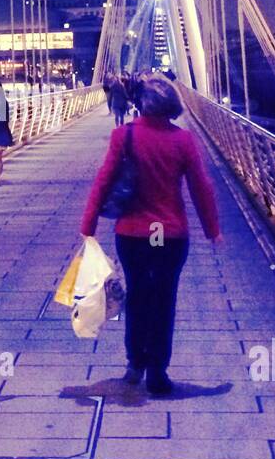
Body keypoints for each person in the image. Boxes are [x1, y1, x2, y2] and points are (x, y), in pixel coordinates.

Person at [80, 74, 221, 393]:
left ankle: (135, 364)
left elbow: (103, 181)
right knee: (164, 299)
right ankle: (158, 369)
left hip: (132, 233)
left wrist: (88, 224)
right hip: (169, 234)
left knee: (138, 295)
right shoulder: (183, 140)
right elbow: (201, 187)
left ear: (141, 103)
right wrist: (213, 229)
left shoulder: (123, 136)